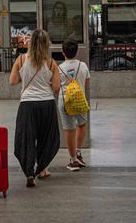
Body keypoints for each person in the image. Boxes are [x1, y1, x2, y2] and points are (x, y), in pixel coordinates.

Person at [10, 29, 61, 187]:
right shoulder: (52, 63)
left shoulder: (21, 59)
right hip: (47, 104)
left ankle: (29, 172)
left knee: (26, 138)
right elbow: (57, 88)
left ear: (30, 42)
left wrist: (25, 76)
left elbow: (13, 81)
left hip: (27, 105)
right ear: (47, 44)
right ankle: (42, 169)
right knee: (46, 139)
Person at [58, 38, 90, 172]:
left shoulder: (59, 68)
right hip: (79, 99)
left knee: (69, 129)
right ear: (76, 51)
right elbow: (87, 84)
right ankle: (78, 153)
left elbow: (55, 87)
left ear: (63, 52)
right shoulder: (83, 66)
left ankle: (73, 161)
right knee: (81, 125)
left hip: (65, 101)